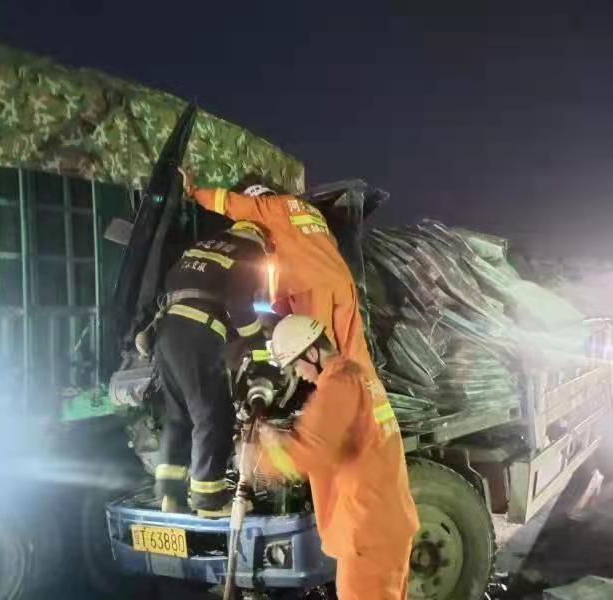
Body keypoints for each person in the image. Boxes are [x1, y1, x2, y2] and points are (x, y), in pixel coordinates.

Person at [258, 314, 419, 600]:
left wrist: (263, 455)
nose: (299, 374)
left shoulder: (338, 383)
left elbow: (310, 452)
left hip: (366, 532)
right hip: (386, 522)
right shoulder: (360, 375)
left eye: (296, 364)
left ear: (312, 353)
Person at [179, 169, 376, 379]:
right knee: (355, 354)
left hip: (307, 286)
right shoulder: (311, 212)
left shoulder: (268, 207)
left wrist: (192, 191)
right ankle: (370, 398)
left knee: (318, 357)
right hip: (342, 281)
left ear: (257, 199)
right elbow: (331, 243)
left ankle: (333, 397)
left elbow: (227, 203)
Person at [153, 220, 269, 517]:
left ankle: (170, 496)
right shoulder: (250, 251)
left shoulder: (203, 246)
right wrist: (259, 349)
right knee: (213, 416)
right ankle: (209, 500)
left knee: (178, 417)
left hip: (166, 332)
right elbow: (240, 303)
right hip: (197, 334)